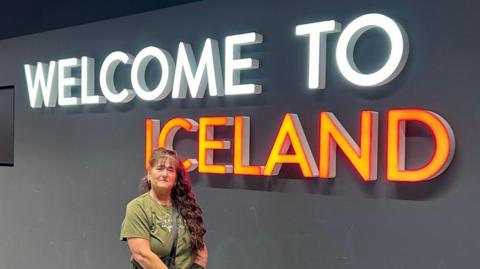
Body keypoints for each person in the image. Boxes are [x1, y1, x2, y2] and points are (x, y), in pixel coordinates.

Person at [120, 148, 208, 269]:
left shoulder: (186, 207)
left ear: (176, 179)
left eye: (170, 170)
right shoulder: (138, 207)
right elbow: (142, 254)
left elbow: (201, 249)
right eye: (160, 168)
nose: (165, 174)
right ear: (149, 174)